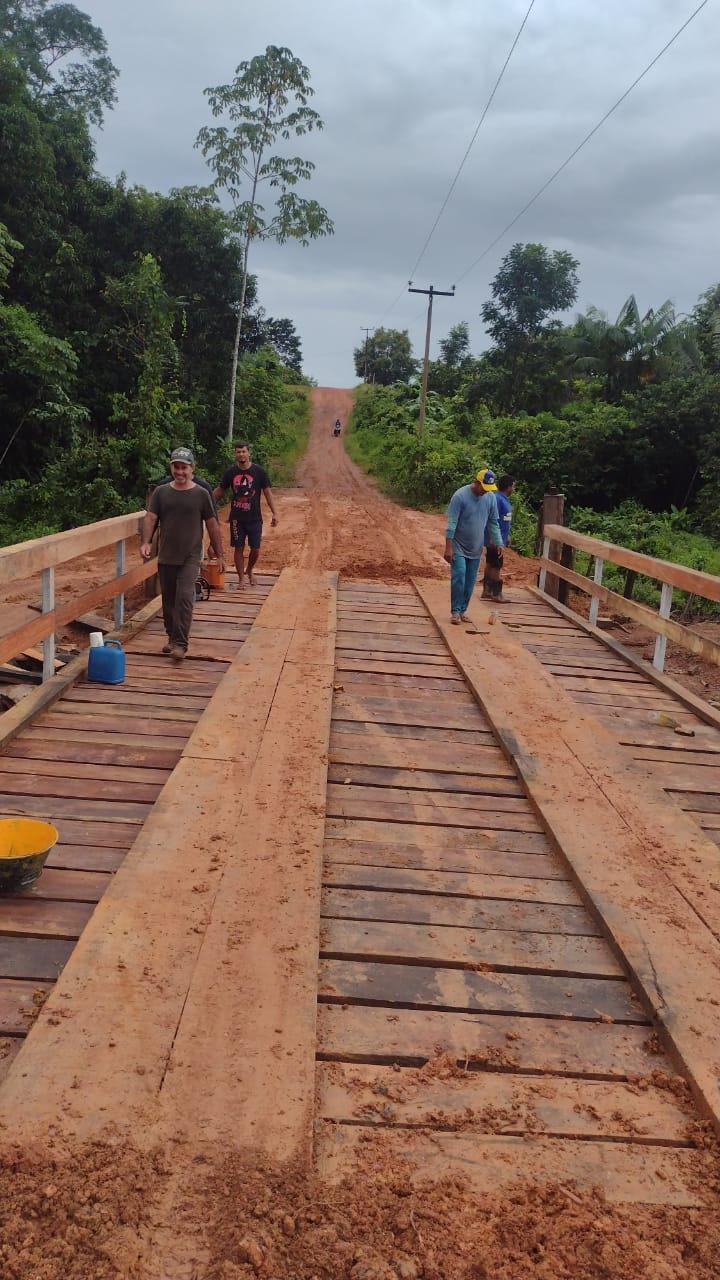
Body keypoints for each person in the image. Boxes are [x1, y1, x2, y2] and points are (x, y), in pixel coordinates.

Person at [140, 447, 224, 661]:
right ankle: (171, 636)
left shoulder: (201, 494)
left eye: (184, 468)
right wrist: (146, 542)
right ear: (171, 468)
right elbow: (150, 518)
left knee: (185, 597)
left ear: (192, 468)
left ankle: (180, 644)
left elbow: (212, 524)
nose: (180, 472)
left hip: (191, 555)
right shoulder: (161, 492)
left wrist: (220, 554)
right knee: (168, 599)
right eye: (176, 467)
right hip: (167, 554)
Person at [213, 442, 278, 589]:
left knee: (255, 549)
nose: (241, 454)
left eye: (243, 451)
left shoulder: (259, 472)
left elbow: (267, 493)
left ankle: (249, 570)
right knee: (238, 548)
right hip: (237, 518)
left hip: (255, 517)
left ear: (248, 453)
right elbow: (219, 491)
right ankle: (241, 578)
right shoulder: (231, 472)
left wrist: (275, 513)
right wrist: (204, 503)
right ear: (235, 454)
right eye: (238, 452)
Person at [444, 468, 502, 624]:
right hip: (458, 545)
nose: (485, 491)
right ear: (476, 482)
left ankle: (463, 610)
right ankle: (455, 612)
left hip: (475, 547)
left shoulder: (490, 498)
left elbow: (493, 522)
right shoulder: (460, 496)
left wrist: (498, 542)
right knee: (459, 576)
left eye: (488, 489)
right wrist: (448, 547)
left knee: (470, 581)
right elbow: (451, 523)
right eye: (483, 487)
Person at [482, 474, 514, 600]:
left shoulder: (503, 499)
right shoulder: (497, 499)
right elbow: (493, 520)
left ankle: (487, 591)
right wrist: (494, 538)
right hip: (495, 539)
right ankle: (496, 593)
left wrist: (507, 536)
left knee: (491, 562)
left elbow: (504, 520)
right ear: (508, 487)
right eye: (513, 486)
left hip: (500, 538)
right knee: (496, 564)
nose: (513, 489)